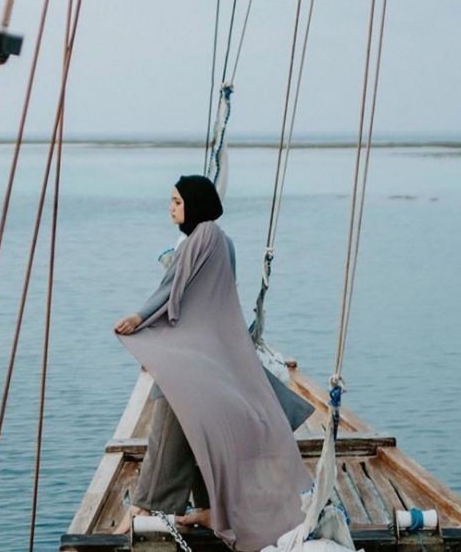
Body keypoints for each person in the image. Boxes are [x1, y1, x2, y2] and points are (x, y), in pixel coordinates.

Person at [113, 175, 312, 551]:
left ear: (196, 203)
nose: (170, 208)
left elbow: (173, 287)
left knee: (171, 418)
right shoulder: (223, 240)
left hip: (199, 350)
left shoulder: (203, 236)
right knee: (200, 426)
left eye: (176, 201)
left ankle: (147, 506)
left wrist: (140, 319)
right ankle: (209, 506)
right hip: (212, 348)